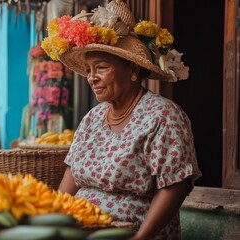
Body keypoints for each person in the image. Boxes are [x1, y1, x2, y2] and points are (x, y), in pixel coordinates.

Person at [41, 1, 202, 239]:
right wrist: (50, 222)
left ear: (133, 71)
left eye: (102, 67)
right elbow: (72, 176)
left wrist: (140, 238)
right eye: (88, 70)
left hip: (134, 232)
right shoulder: (92, 118)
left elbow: (173, 188)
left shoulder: (163, 116)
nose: (92, 78)